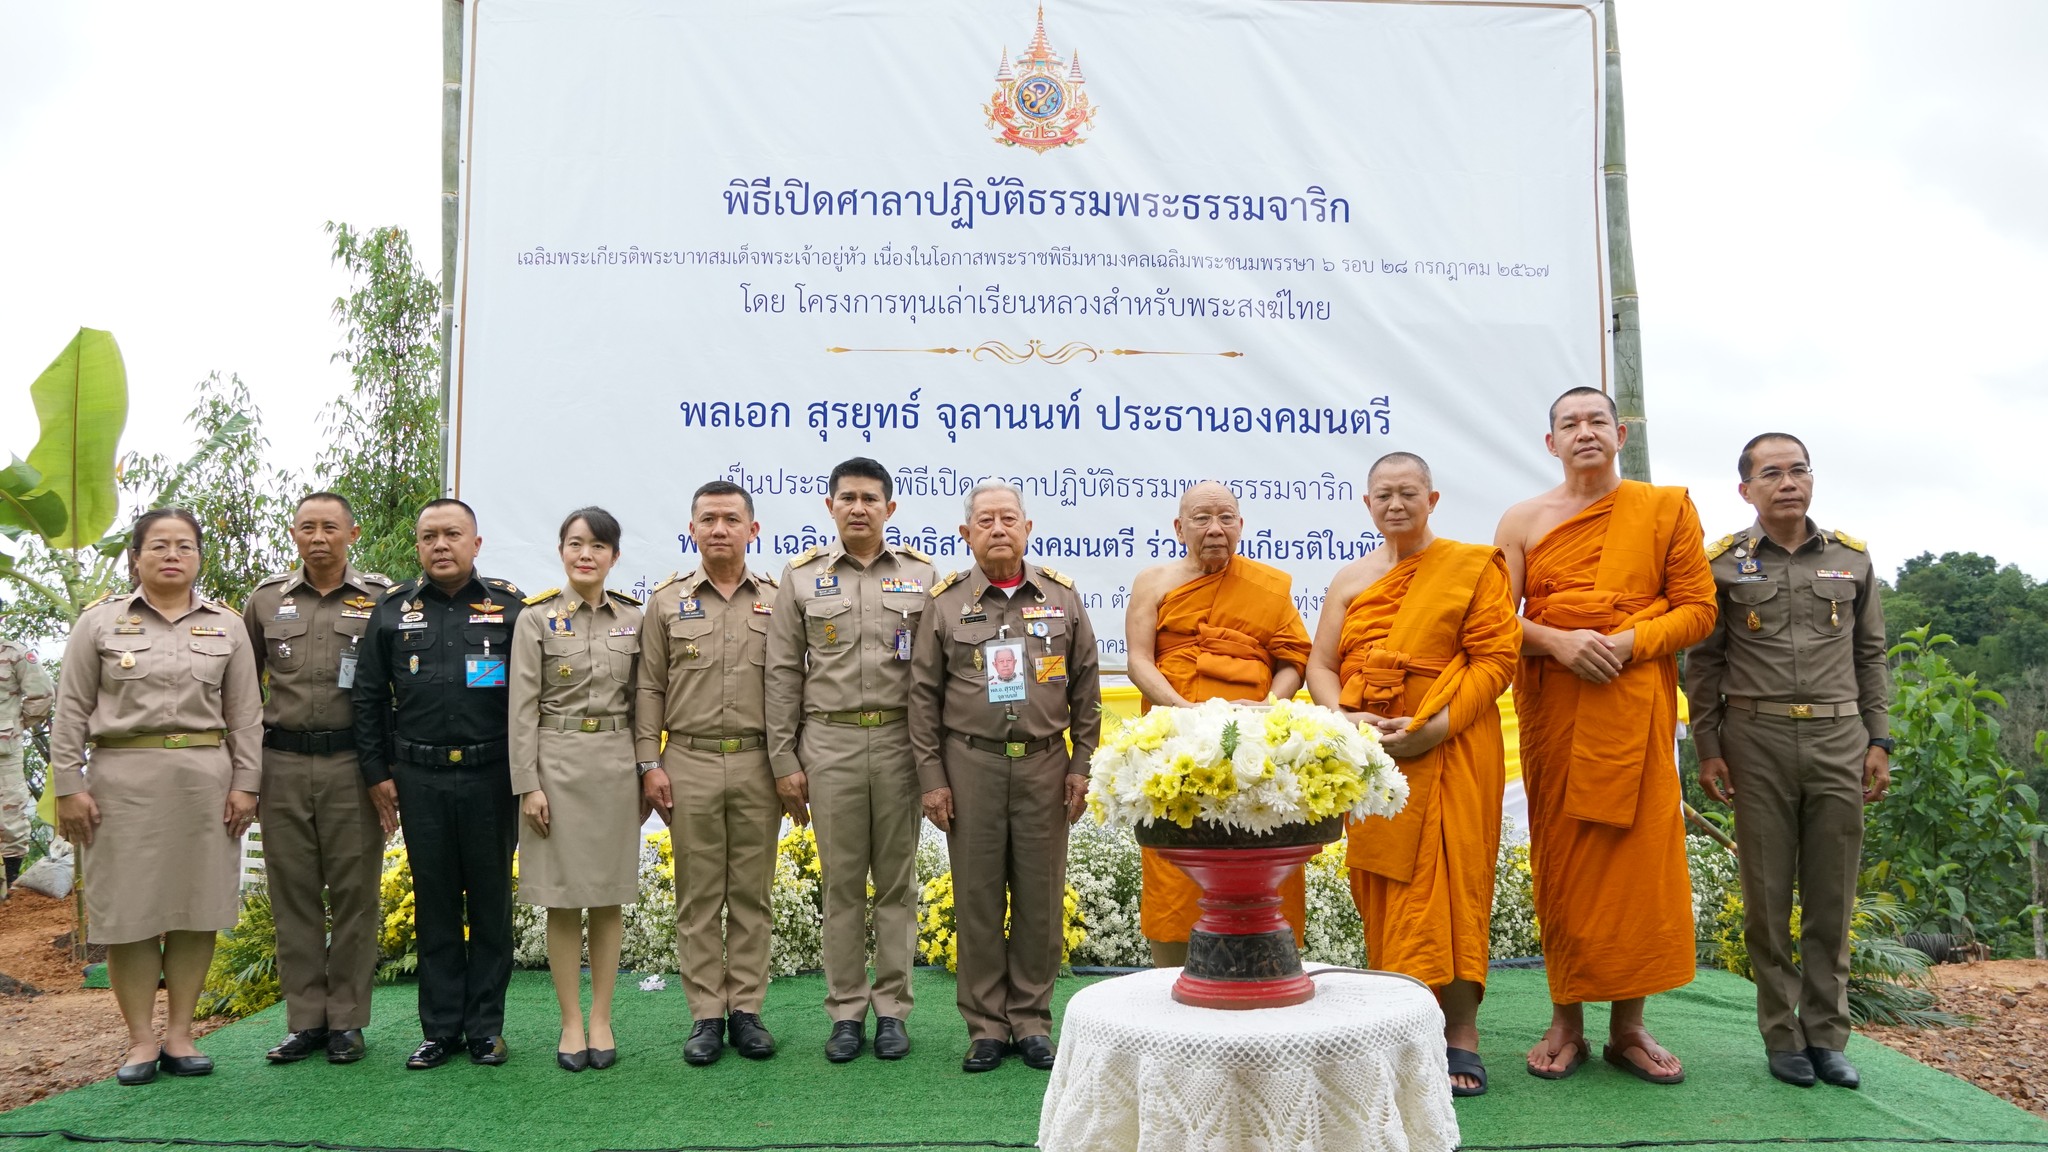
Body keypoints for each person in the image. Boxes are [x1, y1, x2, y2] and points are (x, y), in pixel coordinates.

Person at [1493, 387, 1718, 1084]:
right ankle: (1566, 1021)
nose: (1585, 431)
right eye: (1570, 423)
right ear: (1550, 442)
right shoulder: (1523, 520)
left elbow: (1699, 611)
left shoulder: (1664, 509)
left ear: (1620, 433)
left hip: (1634, 703)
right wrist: (1557, 642)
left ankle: (1628, 1028)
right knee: (1564, 858)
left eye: (1597, 420)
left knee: (1635, 863)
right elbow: (1496, 623)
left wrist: (1627, 642)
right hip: (1557, 708)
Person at [1306, 453, 1518, 1097]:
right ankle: (1399, 1027)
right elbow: (1320, 665)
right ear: (1366, 504)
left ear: (1433, 498)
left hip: (1450, 745)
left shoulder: (1472, 566)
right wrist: (1347, 722)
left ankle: (1461, 1035)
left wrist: (1435, 727)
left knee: (1453, 887)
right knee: (1384, 885)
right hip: (1372, 755)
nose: (1395, 505)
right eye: (1383, 496)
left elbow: (1496, 658)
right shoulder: (1350, 580)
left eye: (1407, 494)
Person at [1685, 434, 1890, 1090]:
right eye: (1771, 474)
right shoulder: (1722, 566)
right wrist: (1710, 749)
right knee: (1767, 902)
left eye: (1798, 470)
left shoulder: (1851, 561)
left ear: (1811, 480)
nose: (1788, 482)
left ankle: (1827, 1037)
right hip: (1757, 742)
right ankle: (1782, 1036)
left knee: (1831, 898)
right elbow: (1705, 665)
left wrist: (1879, 742)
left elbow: (1871, 658)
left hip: (1839, 742)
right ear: (1746, 489)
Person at [49, 508, 263, 1085]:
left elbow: (246, 715)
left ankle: (180, 1035)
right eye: (160, 545)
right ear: (136, 556)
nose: (173, 555)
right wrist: (67, 786)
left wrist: (248, 783)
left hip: (205, 780)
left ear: (199, 557)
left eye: (185, 546)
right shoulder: (98, 624)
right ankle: (141, 1040)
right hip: (122, 779)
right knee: (129, 915)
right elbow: (69, 710)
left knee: (198, 909)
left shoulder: (227, 626)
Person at [908, 482, 1101, 1074]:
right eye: (984, 520)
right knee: (978, 897)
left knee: (1041, 899)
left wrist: (1080, 764)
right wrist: (932, 779)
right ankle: (987, 1026)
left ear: (1027, 527)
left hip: (1045, 763)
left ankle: (1033, 1021)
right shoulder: (944, 604)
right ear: (966, 534)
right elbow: (921, 700)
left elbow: (1087, 689)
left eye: (1008, 519)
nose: (998, 529)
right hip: (972, 764)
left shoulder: (1062, 598)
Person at [764, 457, 934, 1064]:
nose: (858, 507)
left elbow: (933, 676)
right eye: (847, 498)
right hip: (829, 744)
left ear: (890, 509)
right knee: (841, 886)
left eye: (870, 498)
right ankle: (844, 1012)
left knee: (896, 883)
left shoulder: (922, 576)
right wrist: (784, 758)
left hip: (897, 744)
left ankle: (892, 1011)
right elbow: (783, 672)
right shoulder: (802, 578)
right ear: (829, 506)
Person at [351, 498, 526, 1070]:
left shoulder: (509, 609)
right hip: (419, 777)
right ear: (418, 546)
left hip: (491, 776)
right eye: (430, 537)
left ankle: (485, 1029)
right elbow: (370, 699)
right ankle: (440, 1029)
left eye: (453, 534)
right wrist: (378, 774)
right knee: (436, 905)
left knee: (492, 901)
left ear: (477, 543)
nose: (441, 545)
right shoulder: (393, 610)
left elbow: (534, 701)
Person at [1124, 480, 1313, 967]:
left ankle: (1267, 975)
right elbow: (1139, 662)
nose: (1215, 529)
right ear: (1179, 527)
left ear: (1241, 525)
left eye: (1226, 518)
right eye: (1202, 518)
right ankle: (1169, 984)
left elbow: (1294, 660)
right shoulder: (1154, 582)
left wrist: (1269, 707)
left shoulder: (1269, 585)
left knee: (1261, 854)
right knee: (1173, 869)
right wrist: (1181, 711)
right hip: (1175, 746)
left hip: (1255, 749)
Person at [242, 493, 392, 1065]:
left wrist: (387, 770)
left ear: (352, 533)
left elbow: (395, 688)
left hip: (352, 765)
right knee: (293, 893)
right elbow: (240, 691)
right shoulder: (264, 602)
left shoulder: (379, 599)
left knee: (355, 893)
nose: (319, 537)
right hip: (280, 762)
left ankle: (347, 1023)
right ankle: (305, 1020)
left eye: (331, 527)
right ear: (293, 533)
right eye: (308, 527)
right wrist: (246, 773)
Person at [636, 481, 782, 1066]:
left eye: (731, 519)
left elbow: (794, 685)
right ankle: (704, 1015)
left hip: (758, 761)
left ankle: (745, 1009)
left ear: (753, 529)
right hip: (689, 760)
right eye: (707, 520)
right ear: (691, 529)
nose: (719, 529)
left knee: (751, 892)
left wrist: (790, 764)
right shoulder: (667, 601)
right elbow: (648, 685)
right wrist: (650, 762)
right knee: (697, 896)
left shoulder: (779, 599)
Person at [510, 507, 645, 1073]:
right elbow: (520, 709)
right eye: (574, 544)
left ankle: (602, 1018)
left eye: (596, 546)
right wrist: (527, 785)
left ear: (614, 556)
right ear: (561, 551)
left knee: (608, 895)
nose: (584, 554)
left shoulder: (636, 619)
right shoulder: (535, 619)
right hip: (555, 767)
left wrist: (644, 772)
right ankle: (570, 1021)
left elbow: (646, 703)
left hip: (615, 766)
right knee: (563, 900)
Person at [1, 637, 55, 899]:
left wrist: (15, 726)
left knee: (9, 817)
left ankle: (10, 887)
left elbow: (42, 694)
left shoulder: (14, 654)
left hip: (3, 752)